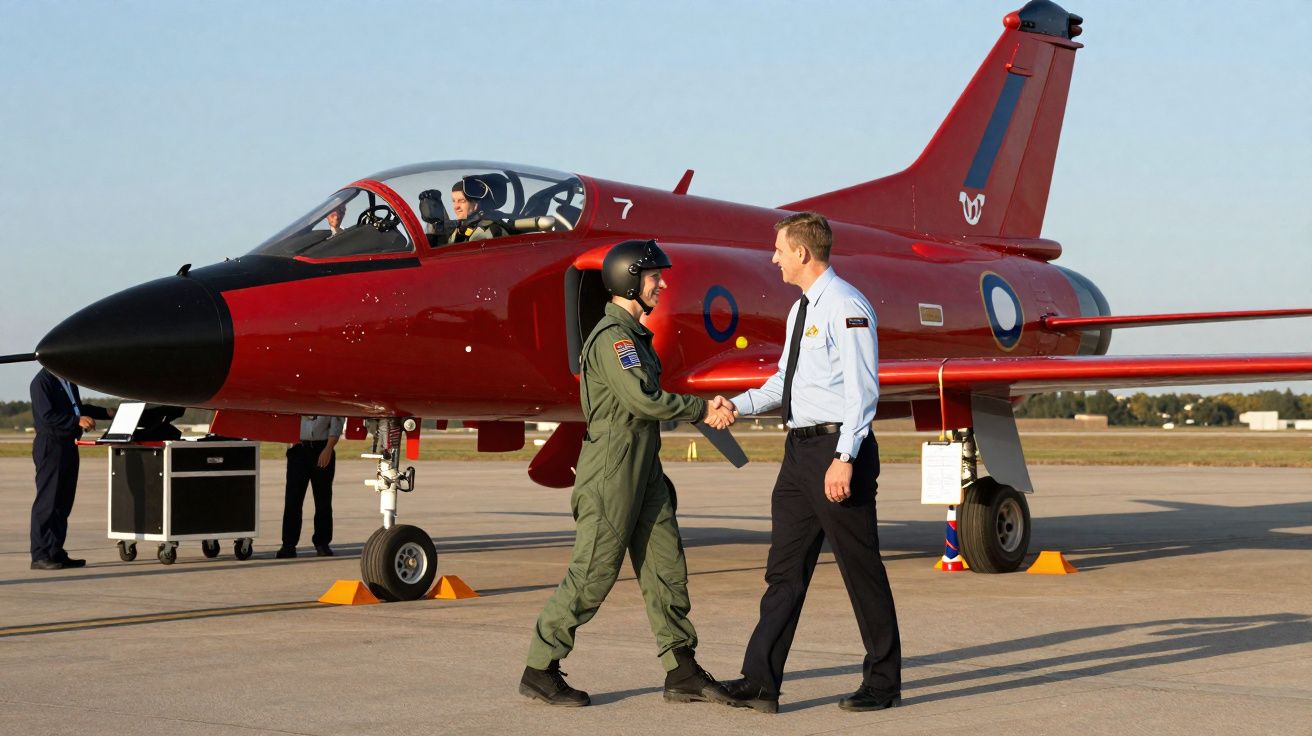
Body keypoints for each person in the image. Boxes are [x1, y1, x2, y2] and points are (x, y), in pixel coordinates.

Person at [520, 239, 738, 708]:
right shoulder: (614, 340)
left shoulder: (636, 337)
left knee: (666, 568)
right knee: (594, 574)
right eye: (653, 276)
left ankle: (681, 669)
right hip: (612, 471)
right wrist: (702, 408)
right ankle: (541, 667)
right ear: (628, 282)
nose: (661, 283)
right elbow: (644, 400)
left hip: (644, 466)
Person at [715, 212, 901, 713]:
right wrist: (738, 405)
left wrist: (844, 458)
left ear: (801, 252)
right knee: (784, 570)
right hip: (798, 453)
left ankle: (883, 682)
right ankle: (760, 682)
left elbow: (863, 392)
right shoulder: (801, 311)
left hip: (838, 451)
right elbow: (785, 383)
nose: (773, 258)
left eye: (779, 249)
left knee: (860, 569)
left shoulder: (847, 305)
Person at [29, 368, 112, 570]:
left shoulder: (68, 381)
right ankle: (39, 555)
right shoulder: (41, 382)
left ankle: (55, 550)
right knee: (48, 501)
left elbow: (78, 408)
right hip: (51, 446)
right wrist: (76, 421)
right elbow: (48, 415)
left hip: (68, 444)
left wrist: (107, 413)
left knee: (63, 502)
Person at [276, 415, 344, 558]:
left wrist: (328, 449)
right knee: (293, 500)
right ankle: (288, 545)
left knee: (323, 500)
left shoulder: (328, 398)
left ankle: (322, 543)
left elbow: (336, 423)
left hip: (322, 448)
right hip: (299, 449)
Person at [447, 178, 508, 243]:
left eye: (462, 201)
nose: (456, 207)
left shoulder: (493, 231)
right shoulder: (458, 229)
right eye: (454, 201)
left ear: (476, 203)